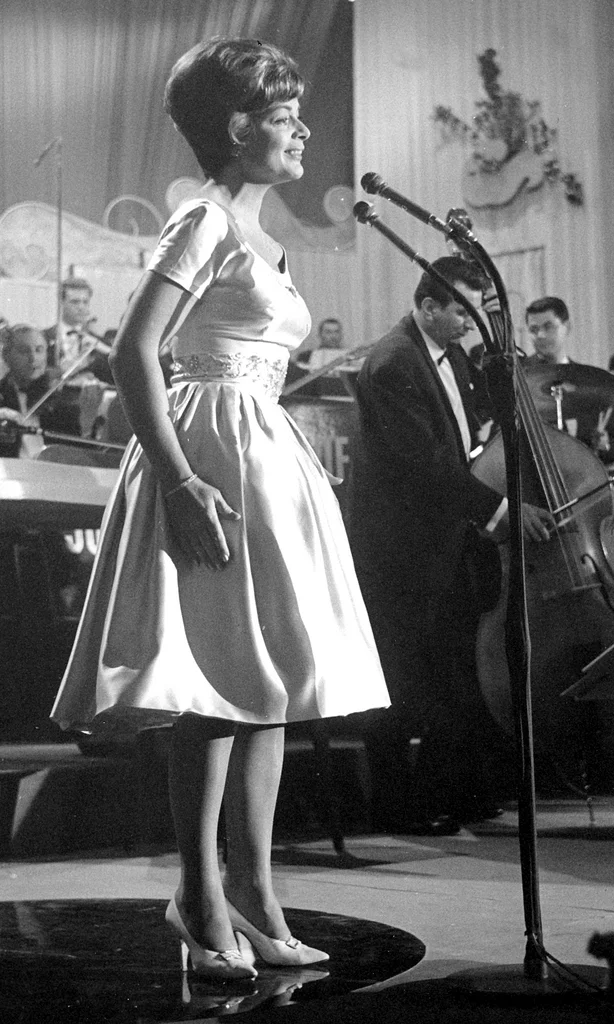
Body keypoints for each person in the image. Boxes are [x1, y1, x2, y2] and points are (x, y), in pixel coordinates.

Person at [51, 38, 389, 980]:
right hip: (210, 452)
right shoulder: (202, 220)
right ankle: (200, 894)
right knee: (215, 680)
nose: (302, 131)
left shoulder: (259, 235)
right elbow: (134, 352)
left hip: (264, 453)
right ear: (238, 127)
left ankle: (253, 888)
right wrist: (177, 479)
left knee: (268, 679)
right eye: (285, 118)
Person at [349, 255, 552, 835]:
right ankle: (396, 807)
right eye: (460, 309)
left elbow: (467, 433)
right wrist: (502, 509)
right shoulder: (393, 362)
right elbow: (427, 465)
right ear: (428, 306)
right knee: (401, 678)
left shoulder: (450, 351)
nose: (469, 321)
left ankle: (451, 791)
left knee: (455, 671)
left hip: (443, 538)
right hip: (401, 548)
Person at [524, 296, 614, 448]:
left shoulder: (593, 381)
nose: (541, 335)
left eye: (548, 327)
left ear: (567, 327)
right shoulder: (519, 376)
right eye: (534, 330)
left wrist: (605, 444)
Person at [0, 324, 81, 457]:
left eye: (39, 350)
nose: (33, 358)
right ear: (6, 356)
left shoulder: (60, 398)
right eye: (24, 351)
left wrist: (86, 423)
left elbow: (76, 452)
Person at [43, 277, 110, 377]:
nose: (81, 307)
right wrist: (61, 370)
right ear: (61, 303)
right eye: (75, 302)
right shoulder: (43, 337)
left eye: (85, 302)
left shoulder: (99, 343)